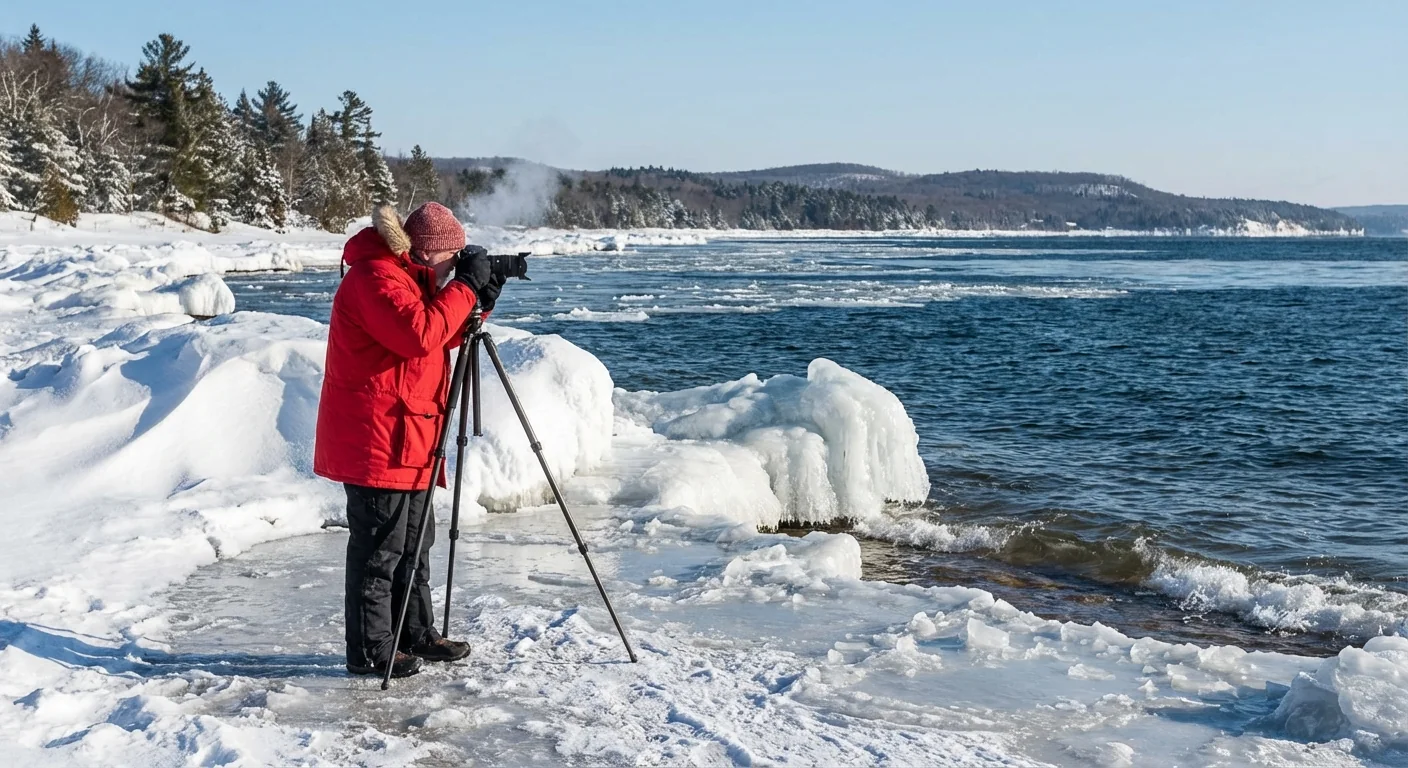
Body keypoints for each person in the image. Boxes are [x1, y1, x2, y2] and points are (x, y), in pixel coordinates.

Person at [314, 202, 503, 678]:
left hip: (411, 434)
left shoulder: (407, 278)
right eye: (452, 259)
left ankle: (414, 632)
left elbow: (442, 333)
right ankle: (370, 648)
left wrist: (480, 299)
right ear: (428, 252)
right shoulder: (374, 278)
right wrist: (464, 286)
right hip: (378, 438)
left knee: (415, 545)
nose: (454, 268)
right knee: (380, 549)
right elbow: (418, 334)